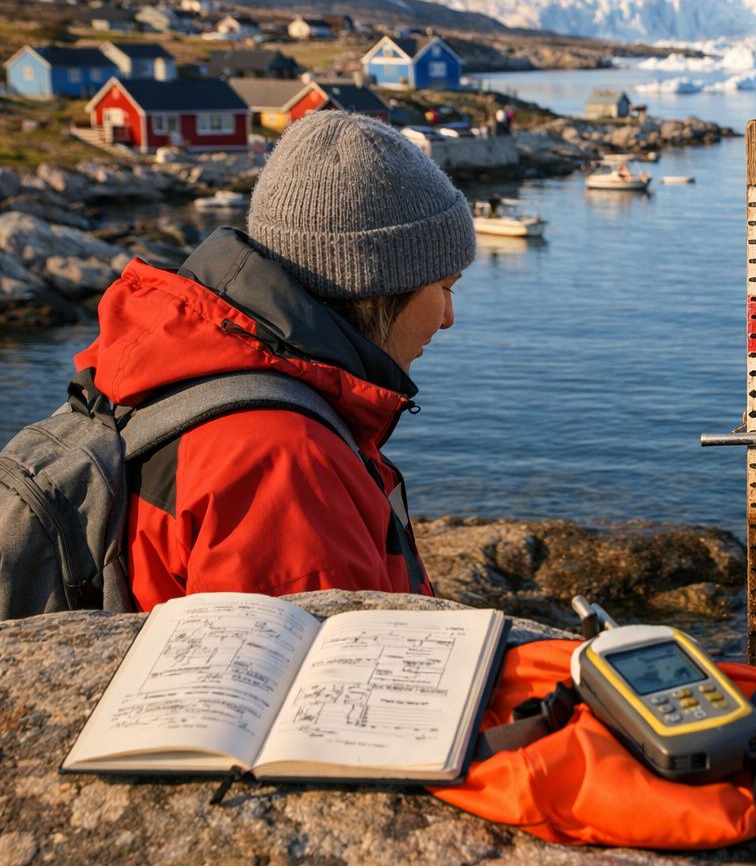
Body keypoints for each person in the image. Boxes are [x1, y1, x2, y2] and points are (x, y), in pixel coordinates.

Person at [77, 110, 477, 611]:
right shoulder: (283, 462)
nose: (449, 319)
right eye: (444, 287)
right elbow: (323, 671)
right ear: (376, 286)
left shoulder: (167, 368)